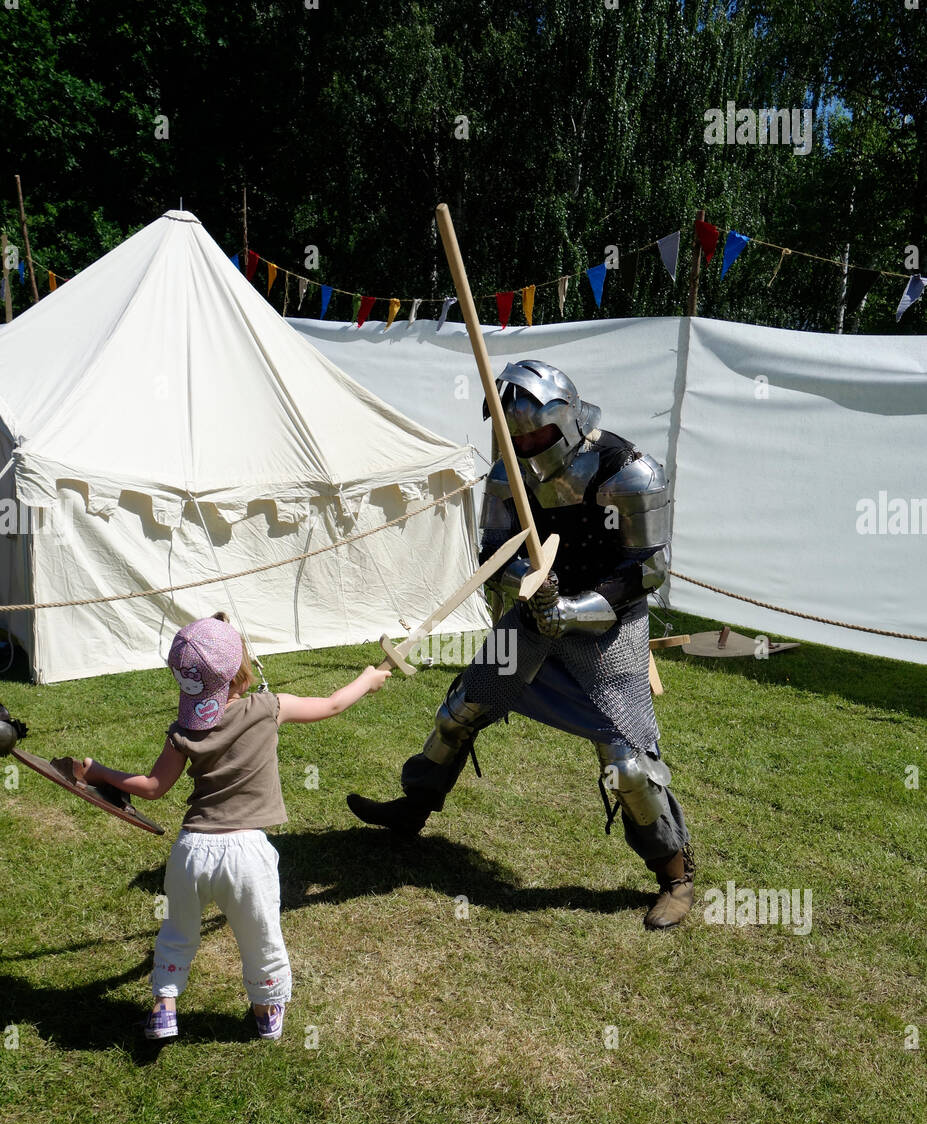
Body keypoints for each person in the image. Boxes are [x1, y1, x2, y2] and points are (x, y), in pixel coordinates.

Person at [348, 359, 695, 930]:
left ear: (564, 420)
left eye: (532, 433)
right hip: (535, 617)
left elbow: (648, 571)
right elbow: (493, 550)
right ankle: (414, 807)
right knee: (463, 707)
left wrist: (574, 609)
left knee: (628, 764)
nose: (524, 444)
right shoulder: (511, 472)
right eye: (514, 435)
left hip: (607, 629)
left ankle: (675, 874)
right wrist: (529, 590)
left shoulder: (628, 472)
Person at [81, 613, 390, 1041]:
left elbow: (152, 788)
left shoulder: (184, 730)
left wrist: (100, 772)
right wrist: (367, 679)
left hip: (191, 852)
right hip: (247, 855)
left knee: (176, 933)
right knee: (260, 936)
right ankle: (265, 1012)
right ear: (244, 674)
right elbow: (333, 704)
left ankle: (165, 1008)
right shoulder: (268, 708)